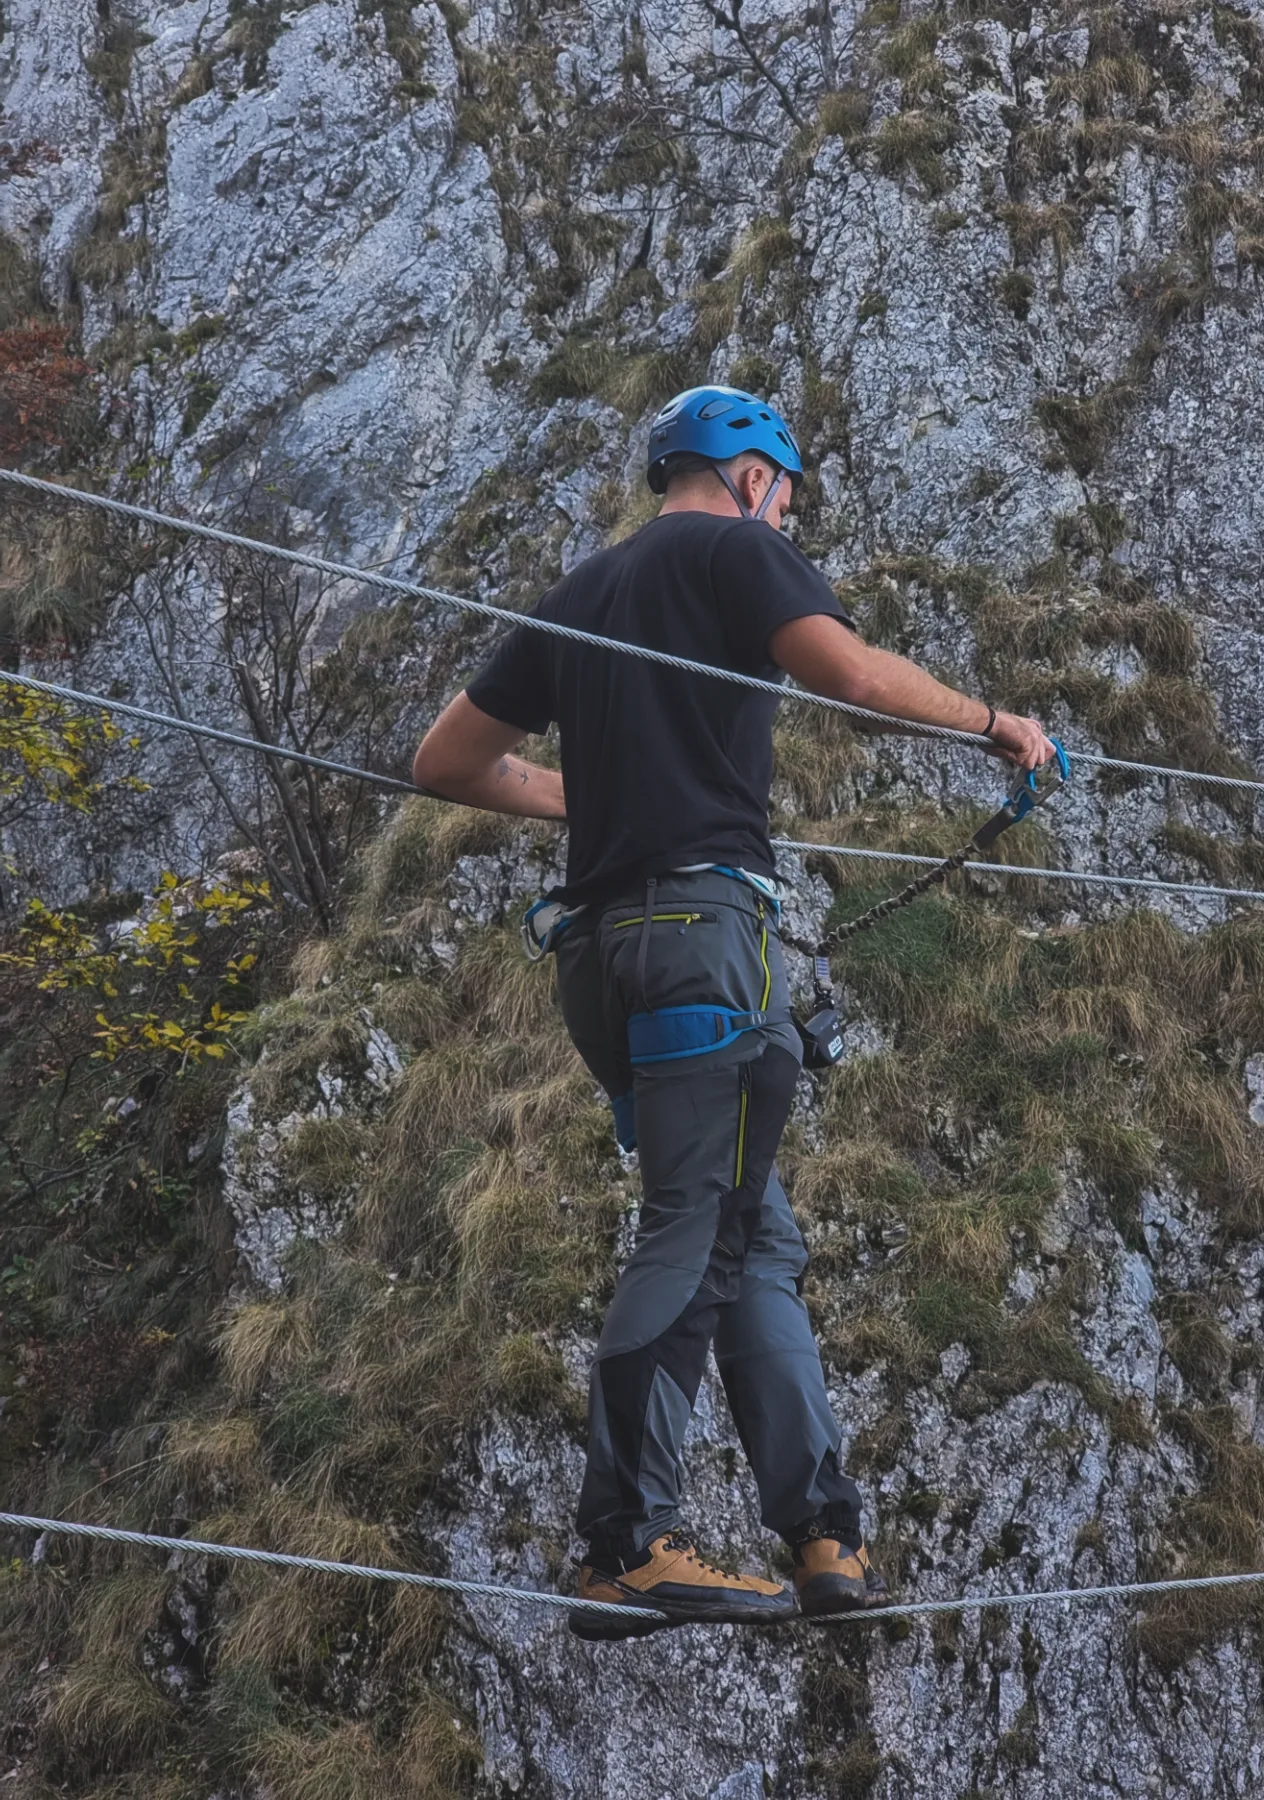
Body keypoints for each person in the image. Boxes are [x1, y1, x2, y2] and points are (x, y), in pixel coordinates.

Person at [413, 386, 1055, 1640]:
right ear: (755, 476)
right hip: (704, 944)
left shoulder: (577, 593)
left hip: (606, 960)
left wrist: (587, 806)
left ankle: (821, 1533)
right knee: (696, 1227)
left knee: (752, 1234)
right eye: (790, 497)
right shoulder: (736, 547)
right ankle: (625, 1546)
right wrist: (997, 726)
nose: (790, 518)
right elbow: (852, 675)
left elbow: (445, 763)